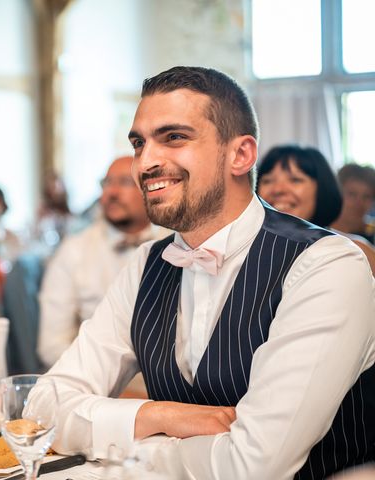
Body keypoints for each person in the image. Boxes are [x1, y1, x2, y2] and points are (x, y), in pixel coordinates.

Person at [33, 66, 375, 479]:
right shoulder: (146, 265)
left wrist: (132, 452)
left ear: (240, 154)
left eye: (173, 137)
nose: (146, 162)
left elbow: (254, 465)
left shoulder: (326, 265)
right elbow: (44, 405)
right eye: (139, 143)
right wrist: (161, 415)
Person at [37, 156, 172, 368]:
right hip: (99, 386)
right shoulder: (73, 251)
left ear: (151, 188)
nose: (112, 193)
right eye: (107, 183)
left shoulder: (177, 244)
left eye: (126, 182)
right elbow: (52, 346)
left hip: (170, 386)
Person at [257, 145, 375, 274]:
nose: (277, 189)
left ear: (322, 189)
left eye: (295, 180)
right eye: (267, 181)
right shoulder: (248, 248)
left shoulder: (355, 252)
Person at [331, 163, 375, 244]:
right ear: (337, 193)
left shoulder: (372, 230)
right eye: (352, 194)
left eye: (367, 196)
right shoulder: (321, 230)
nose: (359, 203)